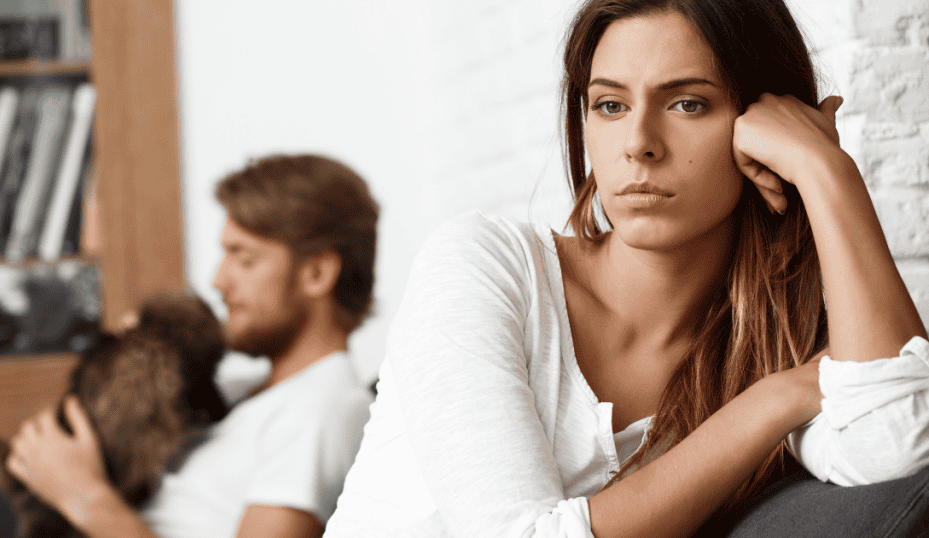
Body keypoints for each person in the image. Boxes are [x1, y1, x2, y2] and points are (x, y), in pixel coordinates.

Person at [324, 0, 929, 536]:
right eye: (610, 105)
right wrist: (780, 397)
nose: (638, 141)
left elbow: (896, 449)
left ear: (760, 129)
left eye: (688, 104)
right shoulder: (487, 266)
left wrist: (829, 174)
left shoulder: (776, 335)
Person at [7, 154, 379, 538]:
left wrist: (84, 497)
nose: (218, 280)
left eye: (245, 259)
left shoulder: (325, 409)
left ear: (316, 274)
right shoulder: (243, 391)